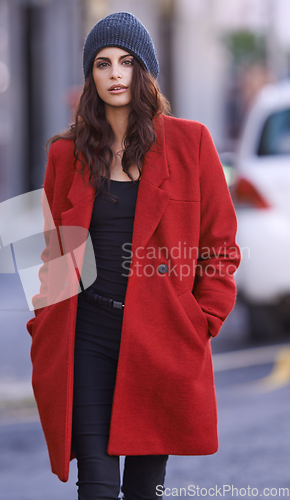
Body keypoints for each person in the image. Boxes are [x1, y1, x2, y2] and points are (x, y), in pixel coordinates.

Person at [26, 11, 241, 500]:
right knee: (96, 488)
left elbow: (221, 246)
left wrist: (202, 316)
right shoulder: (66, 153)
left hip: (160, 337)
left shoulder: (191, 143)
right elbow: (54, 250)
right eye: (102, 64)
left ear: (145, 71)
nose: (115, 73)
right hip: (86, 337)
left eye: (126, 62)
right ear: (90, 76)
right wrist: (42, 320)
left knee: (145, 490)